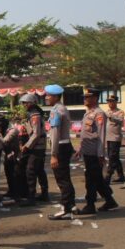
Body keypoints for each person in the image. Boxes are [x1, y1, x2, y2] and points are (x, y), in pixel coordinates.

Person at [76, 88, 119, 215]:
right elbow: (85, 134)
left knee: (91, 179)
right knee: (97, 178)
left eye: (87, 97)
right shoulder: (88, 113)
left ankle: (90, 205)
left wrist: (101, 154)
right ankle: (110, 201)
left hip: (94, 153)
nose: (84, 99)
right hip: (88, 151)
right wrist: (80, 148)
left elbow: (100, 135)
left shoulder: (99, 114)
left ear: (94, 98)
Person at [44, 85, 77, 220]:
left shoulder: (56, 111)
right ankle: (71, 204)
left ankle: (66, 209)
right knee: (65, 177)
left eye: (48, 95)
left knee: (62, 179)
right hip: (65, 145)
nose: (46, 98)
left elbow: (55, 133)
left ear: (56, 97)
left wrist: (53, 154)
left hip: (60, 146)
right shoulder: (62, 108)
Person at [19, 93, 49, 205]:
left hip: (37, 147)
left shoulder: (35, 115)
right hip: (37, 146)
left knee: (30, 171)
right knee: (40, 170)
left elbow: (36, 134)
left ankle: (31, 197)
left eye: (25, 103)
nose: (24, 105)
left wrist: (27, 146)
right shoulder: (32, 114)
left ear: (32, 103)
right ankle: (44, 194)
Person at [105, 95, 125, 185]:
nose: (110, 103)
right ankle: (121, 176)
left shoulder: (120, 112)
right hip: (108, 138)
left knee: (112, 157)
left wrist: (112, 117)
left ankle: (108, 176)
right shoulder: (106, 112)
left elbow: (121, 121)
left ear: (116, 102)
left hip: (115, 138)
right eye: (109, 101)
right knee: (115, 158)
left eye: (112, 101)